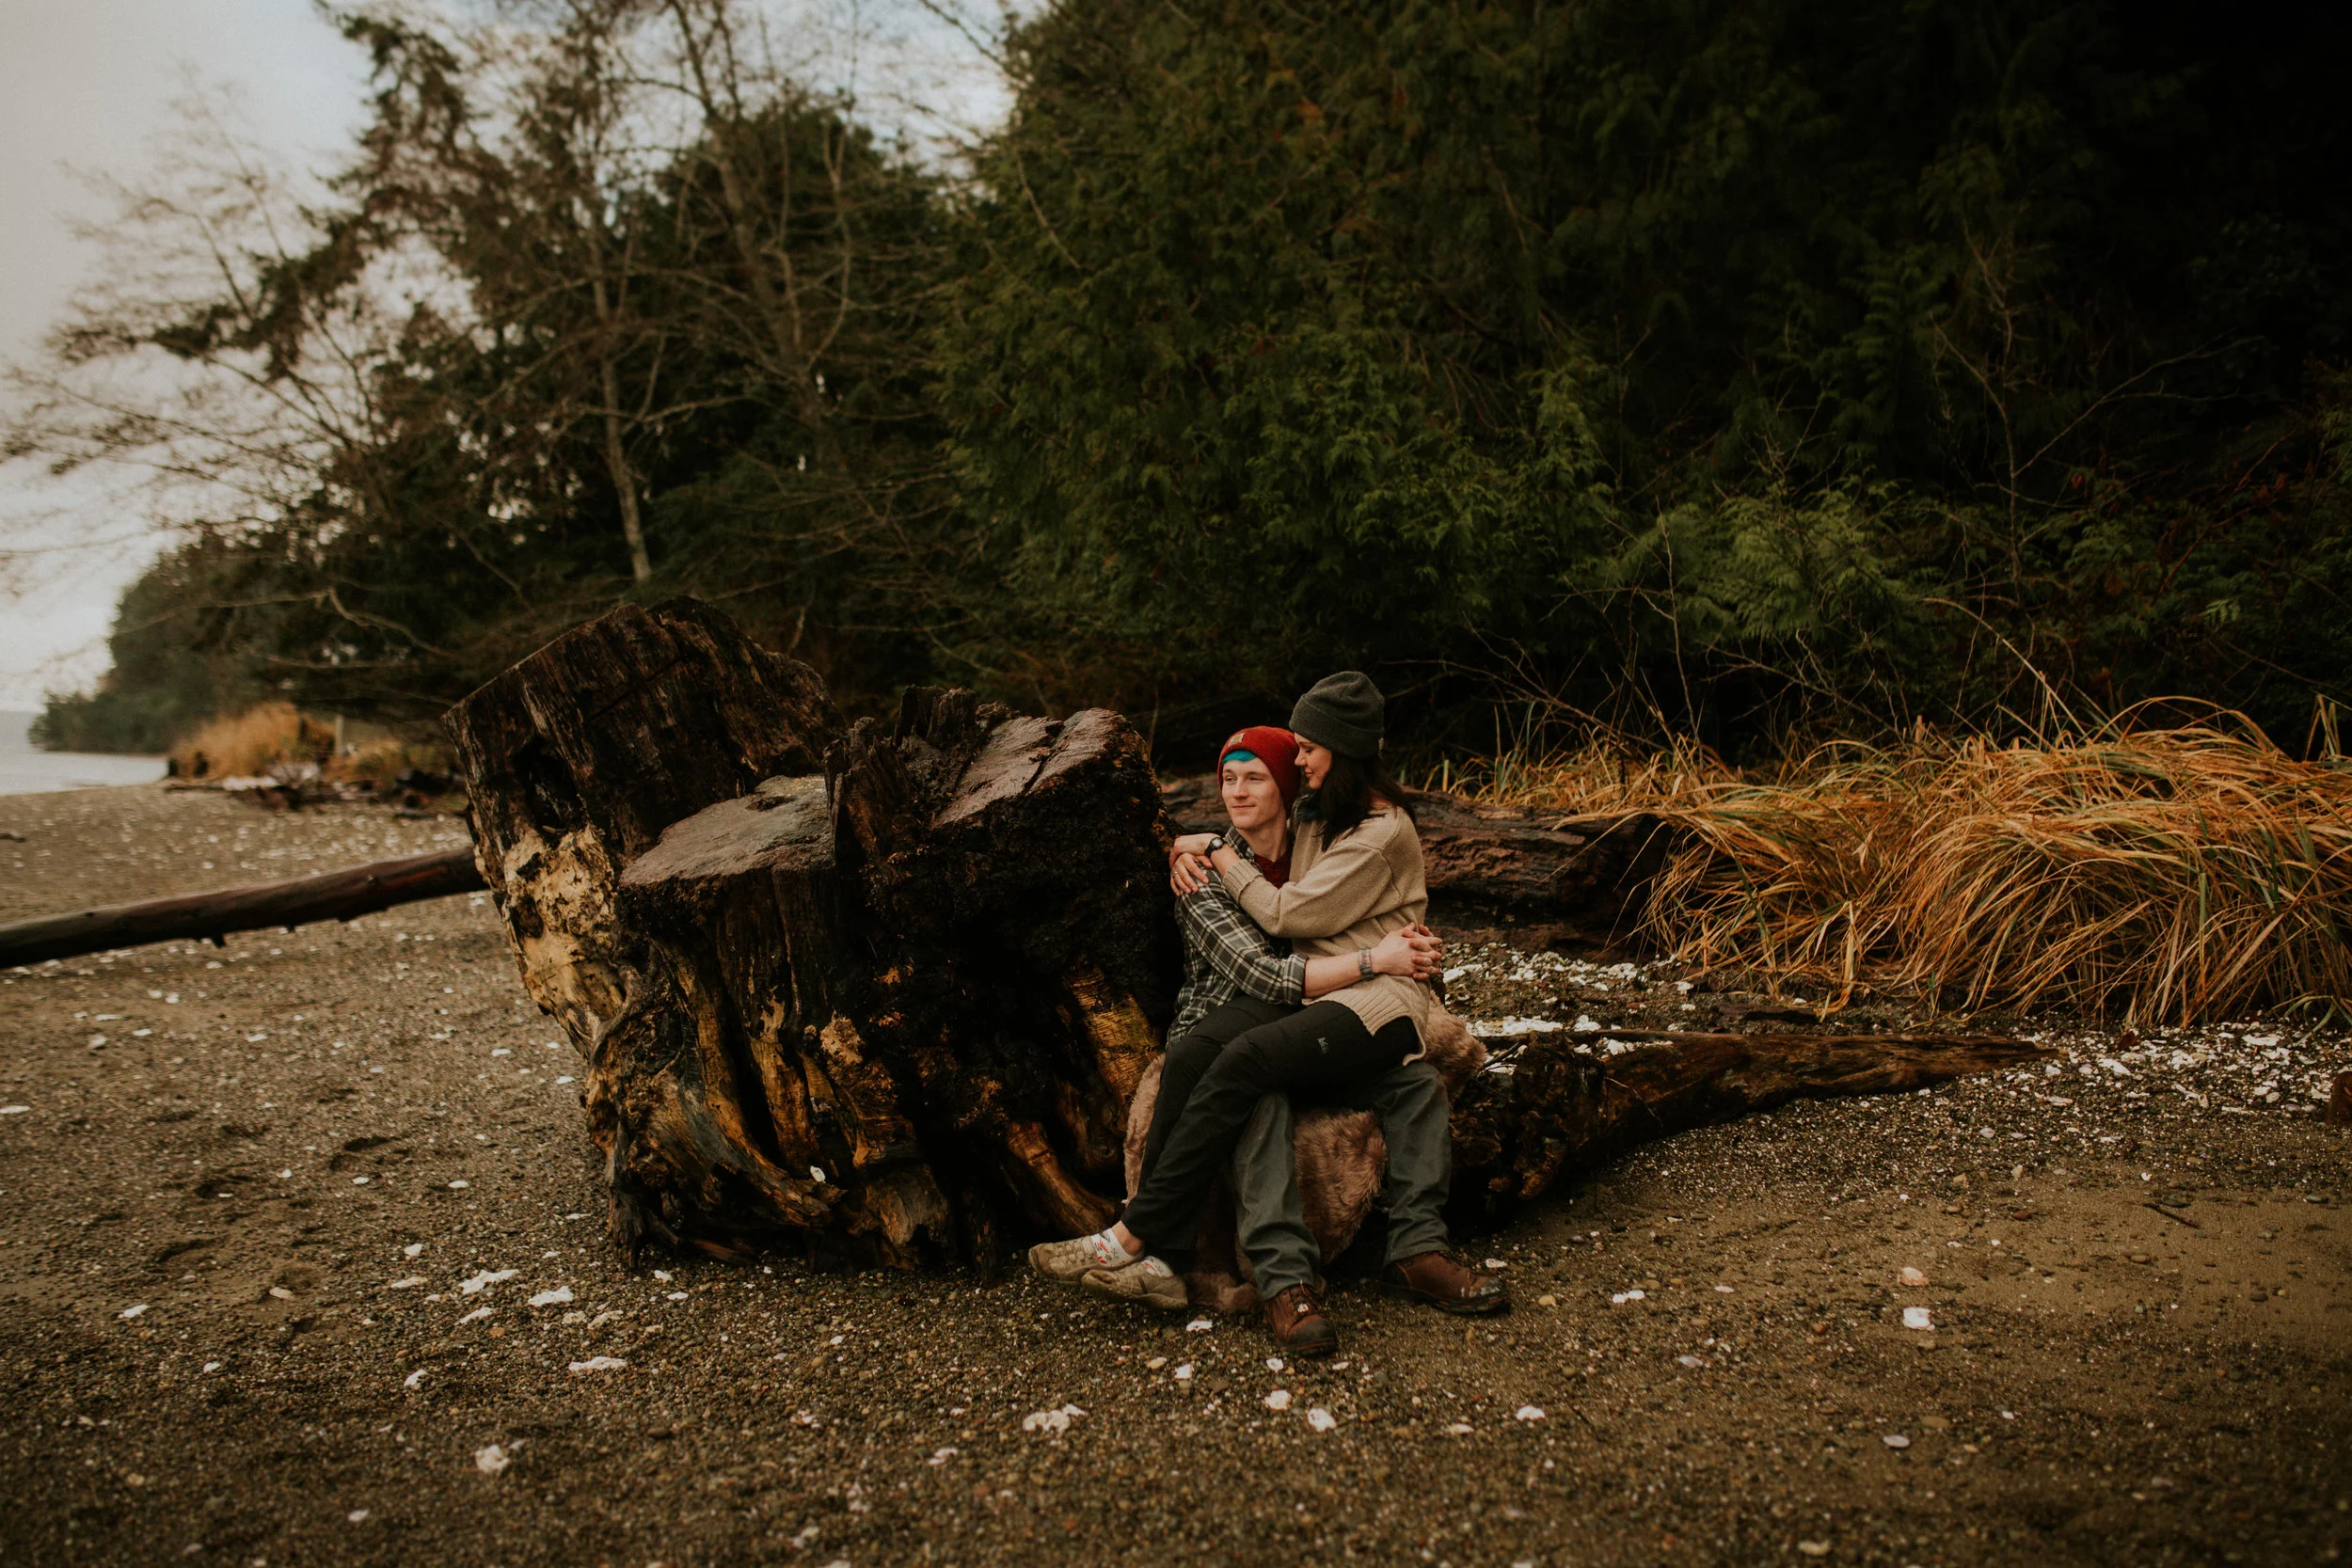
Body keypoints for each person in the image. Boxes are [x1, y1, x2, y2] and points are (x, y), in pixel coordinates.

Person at [1032, 673, 1508, 1325]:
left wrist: (1213, 851)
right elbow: (1269, 898)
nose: (1297, 759)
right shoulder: (1315, 818)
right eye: (1230, 778)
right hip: (1320, 1000)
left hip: (1370, 998)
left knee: (1253, 1063)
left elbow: (1288, 915)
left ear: (1338, 751)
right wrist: (1189, 844)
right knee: (1210, 1054)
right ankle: (1202, 1266)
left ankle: (1139, 1234)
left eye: (1305, 749)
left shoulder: (1374, 831)